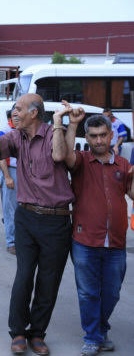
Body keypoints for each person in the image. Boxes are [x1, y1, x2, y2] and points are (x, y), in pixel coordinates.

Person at [0, 91, 74, 356]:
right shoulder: (16, 137)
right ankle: (18, 332)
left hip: (57, 220)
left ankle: (38, 334)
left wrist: (59, 122)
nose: (14, 112)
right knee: (24, 277)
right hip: (26, 217)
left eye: (19, 108)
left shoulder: (52, 133)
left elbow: (59, 156)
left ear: (34, 112)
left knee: (49, 281)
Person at [62, 108, 134, 356]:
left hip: (115, 242)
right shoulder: (81, 160)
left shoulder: (123, 165)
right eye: (93, 136)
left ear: (111, 134)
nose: (99, 140)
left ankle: (101, 328)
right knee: (88, 292)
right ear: (88, 138)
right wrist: (72, 125)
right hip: (84, 240)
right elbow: (66, 157)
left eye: (103, 135)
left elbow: (132, 194)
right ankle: (93, 337)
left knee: (112, 292)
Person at [0, 106, 18, 255]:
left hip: (24, 173)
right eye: (15, 114)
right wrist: (6, 176)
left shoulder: (26, 130)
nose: (18, 117)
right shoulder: (4, 131)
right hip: (11, 172)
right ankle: (11, 242)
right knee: (10, 209)